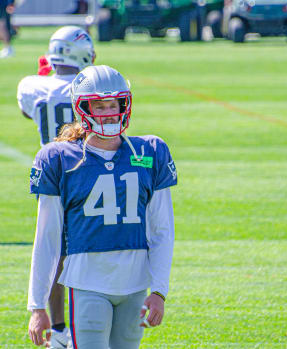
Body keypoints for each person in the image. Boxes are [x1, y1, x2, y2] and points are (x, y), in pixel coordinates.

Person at [27, 65, 177, 348]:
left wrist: (159, 290)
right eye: (99, 105)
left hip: (135, 282)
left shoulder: (150, 151)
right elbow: (47, 238)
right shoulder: (61, 158)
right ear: (82, 108)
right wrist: (37, 305)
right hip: (87, 281)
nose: (108, 112)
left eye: (113, 104)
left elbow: (162, 229)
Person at [18, 25, 96, 349]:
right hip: (85, 172)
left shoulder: (32, 86)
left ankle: (61, 331)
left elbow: (26, 111)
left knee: (53, 254)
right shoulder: (87, 86)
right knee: (88, 253)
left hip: (52, 173)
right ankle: (80, 327)